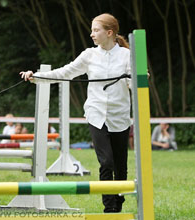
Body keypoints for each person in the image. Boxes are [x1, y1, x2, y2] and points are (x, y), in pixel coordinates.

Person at [20, 13, 131, 213]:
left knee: (120, 165)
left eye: (96, 30)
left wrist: (140, 78)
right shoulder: (89, 55)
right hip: (96, 114)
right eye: (92, 30)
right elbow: (65, 72)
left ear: (109, 32)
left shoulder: (127, 56)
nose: (92, 34)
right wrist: (36, 76)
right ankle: (109, 208)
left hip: (120, 116)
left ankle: (119, 199)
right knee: (106, 161)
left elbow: (134, 84)